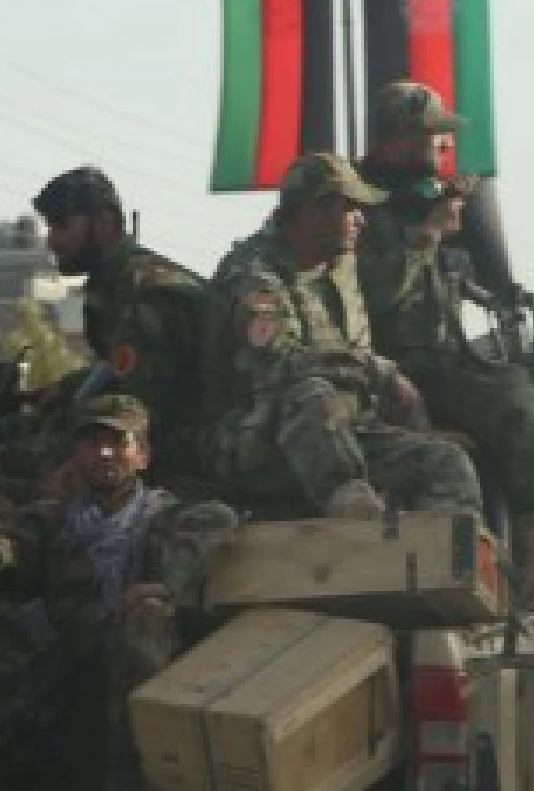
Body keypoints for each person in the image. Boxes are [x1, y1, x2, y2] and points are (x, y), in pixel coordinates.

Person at [0, 395, 238, 791]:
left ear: (142, 455)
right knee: (10, 640)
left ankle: (124, 788)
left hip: (139, 654)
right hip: (69, 648)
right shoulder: (55, 517)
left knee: (145, 620)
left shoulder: (166, 515)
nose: (104, 453)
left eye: (117, 443)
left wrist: (166, 584)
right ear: (75, 454)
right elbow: (13, 542)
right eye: (92, 442)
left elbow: (218, 523)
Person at [354, 80, 534, 610]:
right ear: (401, 139)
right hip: (379, 365)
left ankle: (532, 564)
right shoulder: (354, 206)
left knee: (520, 404)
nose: (441, 150)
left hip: (445, 358)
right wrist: (428, 234)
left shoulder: (431, 199)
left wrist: (480, 250)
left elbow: (479, 284)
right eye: (434, 137)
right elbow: (373, 297)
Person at [202, 151, 483, 520]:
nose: (361, 219)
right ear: (314, 210)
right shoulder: (254, 275)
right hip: (261, 437)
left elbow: (388, 291)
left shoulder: (341, 262)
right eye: (350, 207)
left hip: (348, 429)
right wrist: (380, 372)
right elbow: (279, 363)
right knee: (310, 394)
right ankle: (358, 521)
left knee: (445, 462)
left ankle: (449, 565)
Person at [28, 166, 209, 487]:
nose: (52, 240)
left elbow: (143, 403)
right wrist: (66, 388)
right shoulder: (115, 284)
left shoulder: (146, 290)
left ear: (104, 223)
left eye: (61, 225)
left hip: (192, 443)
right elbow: (119, 370)